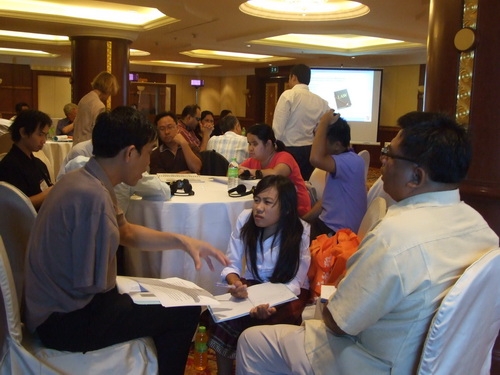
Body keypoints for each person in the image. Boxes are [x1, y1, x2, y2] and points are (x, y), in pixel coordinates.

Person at [235, 111, 499, 375]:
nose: (382, 161)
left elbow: (338, 322)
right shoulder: (482, 229)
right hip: (438, 365)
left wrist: (337, 290)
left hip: (371, 362)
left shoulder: (395, 236)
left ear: (416, 176)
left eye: (389, 153)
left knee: (252, 341)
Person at [24, 106, 230, 375]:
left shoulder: (89, 179)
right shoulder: (91, 196)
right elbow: (90, 284)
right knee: (184, 311)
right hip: (65, 320)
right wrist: (139, 294)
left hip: (62, 309)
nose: (148, 163)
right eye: (147, 153)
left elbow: (126, 232)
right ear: (130, 153)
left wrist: (183, 241)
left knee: (165, 299)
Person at [207, 175, 311, 375]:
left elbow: (295, 282)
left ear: (286, 208)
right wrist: (235, 283)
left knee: (268, 324)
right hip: (253, 286)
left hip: (286, 291)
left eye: (268, 202)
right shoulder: (245, 219)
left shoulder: (301, 230)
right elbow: (232, 264)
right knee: (223, 319)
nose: (259, 208)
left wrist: (267, 303)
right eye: (257, 200)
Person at [303, 110, 367, 239]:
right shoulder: (342, 160)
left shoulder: (351, 161)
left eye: (320, 139)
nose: (316, 144)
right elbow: (325, 202)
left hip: (338, 233)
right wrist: (303, 220)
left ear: (337, 145)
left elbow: (315, 159)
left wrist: (324, 122)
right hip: (328, 225)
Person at [272, 64, 330, 181]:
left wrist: (273, 148)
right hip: (310, 149)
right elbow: (321, 128)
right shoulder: (322, 101)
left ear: (293, 77)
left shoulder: (288, 95)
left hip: (289, 149)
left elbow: (278, 127)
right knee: (305, 183)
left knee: (286, 185)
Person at [239, 124, 311, 217]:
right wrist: (240, 171)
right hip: (271, 208)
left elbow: (276, 174)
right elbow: (233, 170)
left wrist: (250, 172)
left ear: (268, 144)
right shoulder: (254, 160)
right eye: (249, 143)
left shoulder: (285, 157)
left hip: (295, 211)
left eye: (255, 144)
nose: (250, 148)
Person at [0, 109, 53, 210]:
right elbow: (12, 206)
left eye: (45, 135)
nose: (44, 141)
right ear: (23, 132)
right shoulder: (9, 166)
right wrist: (46, 194)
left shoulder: (39, 164)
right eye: (40, 134)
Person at [72, 71, 119, 145]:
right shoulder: (99, 105)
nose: (107, 98)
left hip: (77, 143)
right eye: (109, 94)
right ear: (108, 88)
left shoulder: (84, 99)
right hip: (88, 146)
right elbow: (98, 132)